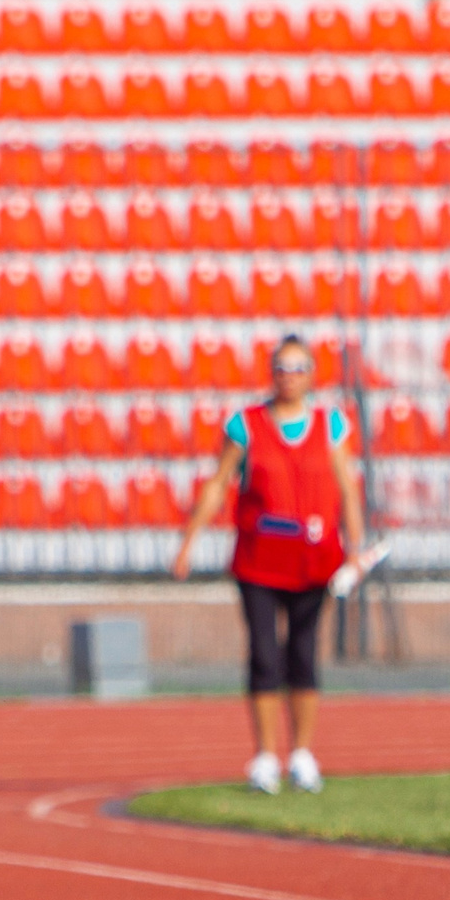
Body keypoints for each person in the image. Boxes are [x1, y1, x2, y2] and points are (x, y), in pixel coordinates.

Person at [172, 335, 367, 795]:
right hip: (259, 561)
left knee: (303, 654)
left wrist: (355, 548)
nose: (289, 376)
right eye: (282, 367)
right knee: (264, 655)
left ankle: (300, 753)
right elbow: (218, 484)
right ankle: (264, 755)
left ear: (312, 375)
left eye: (299, 368)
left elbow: (346, 488)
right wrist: (188, 541)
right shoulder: (247, 426)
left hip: (314, 561)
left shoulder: (330, 425)